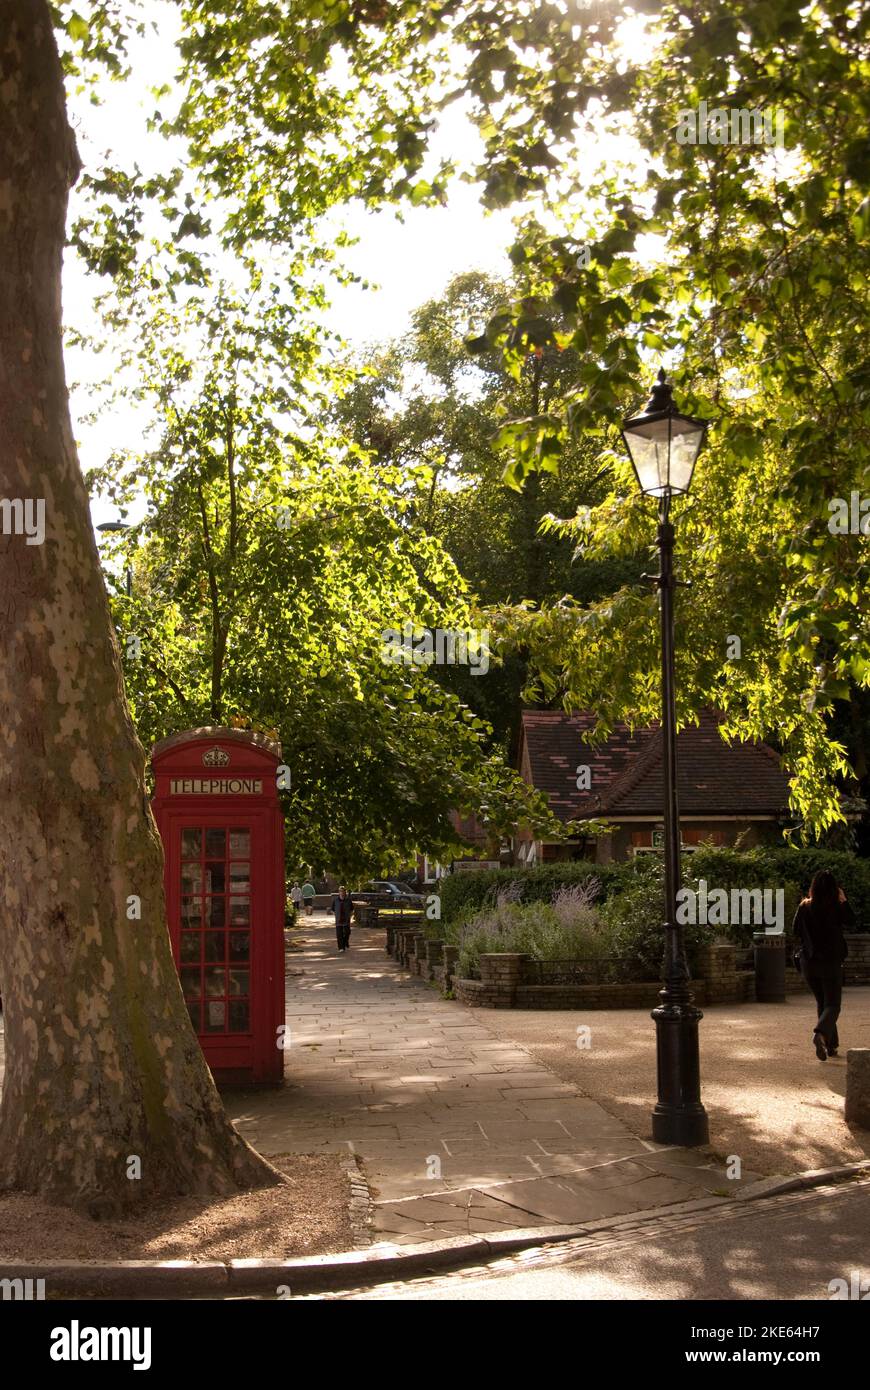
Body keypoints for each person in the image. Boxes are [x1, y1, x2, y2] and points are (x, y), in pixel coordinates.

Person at [792, 870, 855, 1060]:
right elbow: (852, 921)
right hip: (830, 962)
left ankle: (831, 1045)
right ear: (834, 889)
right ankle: (820, 1033)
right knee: (833, 1004)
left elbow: (795, 930)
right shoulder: (836, 907)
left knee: (823, 1003)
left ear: (813, 887)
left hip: (809, 963)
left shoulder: (804, 906)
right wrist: (843, 901)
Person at [331, 885, 353, 953]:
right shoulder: (335, 901)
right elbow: (332, 909)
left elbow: (352, 909)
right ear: (339, 892)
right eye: (341, 891)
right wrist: (336, 915)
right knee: (339, 934)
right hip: (338, 920)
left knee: (347, 932)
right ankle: (341, 947)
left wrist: (350, 915)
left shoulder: (348, 900)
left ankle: (346, 942)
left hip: (346, 920)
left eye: (343, 891)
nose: (342, 893)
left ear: (345, 892)